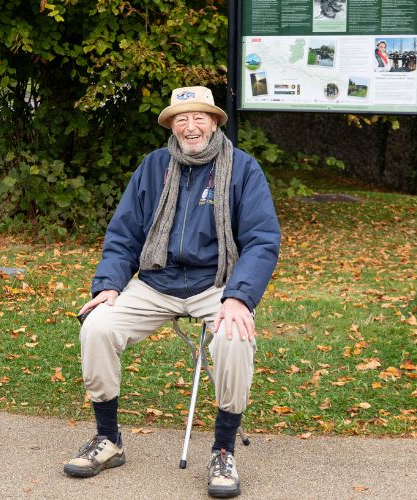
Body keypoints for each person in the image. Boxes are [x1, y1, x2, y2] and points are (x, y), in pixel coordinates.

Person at [63, 86, 280, 498]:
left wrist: (239, 296)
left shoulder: (242, 168)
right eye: (181, 118)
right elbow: (124, 235)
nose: (190, 125)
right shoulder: (154, 166)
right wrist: (108, 285)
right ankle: (108, 439)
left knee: (234, 336)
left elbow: (262, 240)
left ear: (214, 122)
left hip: (216, 284)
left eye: (199, 117)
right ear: (172, 126)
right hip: (155, 282)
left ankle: (223, 451)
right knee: (98, 325)